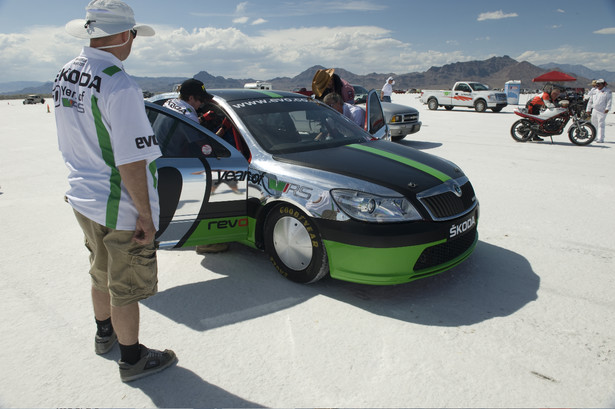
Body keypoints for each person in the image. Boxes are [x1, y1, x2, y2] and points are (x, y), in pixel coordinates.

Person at [54, 0, 176, 382]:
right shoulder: (119, 84)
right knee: (125, 287)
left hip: (82, 196)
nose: (133, 42)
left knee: (99, 271)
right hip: (117, 205)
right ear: (124, 35)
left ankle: (103, 334)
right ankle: (133, 358)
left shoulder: (65, 74)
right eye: (134, 35)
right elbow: (131, 159)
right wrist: (145, 214)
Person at [163, 79, 232, 253]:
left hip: (162, 160)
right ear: (191, 97)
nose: (202, 104)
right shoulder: (188, 115)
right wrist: (223, 130)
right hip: (178, 165)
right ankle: (205, 242)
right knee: (213, 188)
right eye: (200, 100)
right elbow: (205, 149)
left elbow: (182, 128)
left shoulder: (170, 103)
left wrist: (201, 120)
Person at [586, 79, 612, 143]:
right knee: (594, 124)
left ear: (603, 84)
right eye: (597, 84)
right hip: (595, 109)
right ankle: (594, 137)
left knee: (601, 124)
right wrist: (588, 109)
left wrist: (607, 108)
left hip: (602, 110)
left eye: (599, 84)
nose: (598, 85)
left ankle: (601, 138)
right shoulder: (594, 91)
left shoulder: (607, 91)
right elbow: (590, 101)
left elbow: (609, 100)